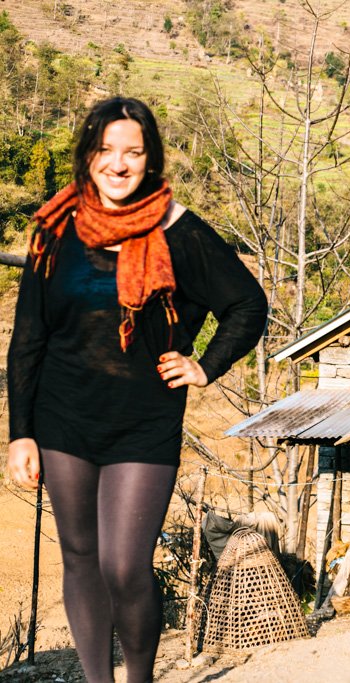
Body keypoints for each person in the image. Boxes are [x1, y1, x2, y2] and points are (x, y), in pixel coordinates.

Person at [5, 97, 267, 683]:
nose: (118, 164)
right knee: (80, 557)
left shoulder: (180, 231)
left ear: (150, 160)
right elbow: (28, 338)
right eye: (105, 150)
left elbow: (247, 305)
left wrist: (205, 365)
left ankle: (140, 679)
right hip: (62, 419)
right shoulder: (55, 229)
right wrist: (20, 432)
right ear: (87, 156)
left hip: (143, 423)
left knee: (124, 566)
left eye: (133, 151)